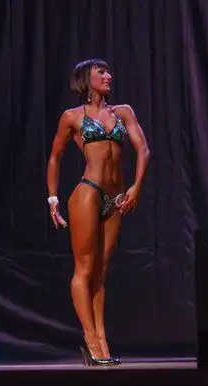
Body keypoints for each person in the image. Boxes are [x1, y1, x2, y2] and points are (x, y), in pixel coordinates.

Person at [46, 59, 150, 366]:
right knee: (84, 268)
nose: (108, 76)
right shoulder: (72, 117)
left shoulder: (123, 112)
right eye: (101, 72)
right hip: (88, 192)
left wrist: (136, 186)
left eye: (108, 71)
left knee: (100, 271)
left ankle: (102, 342)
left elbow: (143, 149)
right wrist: (52, 198)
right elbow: (55, 157)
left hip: (115, 197)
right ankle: (90, 340)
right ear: (86, 80)